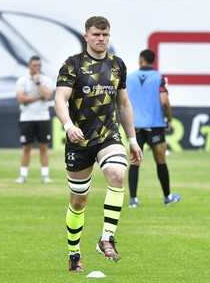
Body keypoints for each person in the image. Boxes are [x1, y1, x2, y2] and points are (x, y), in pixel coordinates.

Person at [54, 16, 143, 272]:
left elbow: (123, 104)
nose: (101, 39)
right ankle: (74, 253)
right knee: (79, 201)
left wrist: (133, 139)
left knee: (117, 173)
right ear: (86, 36)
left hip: (108, 136)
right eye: (96, 34)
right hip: (79, 140)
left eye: (105, 35)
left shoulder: (117, 65)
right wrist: (69, 126)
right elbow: (60, 99)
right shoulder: (73, 64)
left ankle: (107, 237)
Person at [126, 49, 181, 207]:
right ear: (152, 61)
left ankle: (133, 200)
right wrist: (169, 119)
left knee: (135, 161)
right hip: (155, 125)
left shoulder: (130, 78)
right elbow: (164, 101)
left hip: (135, 126)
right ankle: (167, 197)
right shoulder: (160, 78)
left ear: (140, 60)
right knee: (161, 161)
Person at [15, 55, 54, 184]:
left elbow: (48, 95)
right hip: (27, 118)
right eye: (35, 65)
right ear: (29, 66)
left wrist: (38, 84)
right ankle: (23, 175)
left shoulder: (46, 80)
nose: (37, 68)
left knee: (44, 147)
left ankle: (45, 175)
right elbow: (21, 99)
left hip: (43, 117)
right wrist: (39, 96)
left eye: (39, 65)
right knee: (27, 147)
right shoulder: (22, 80)